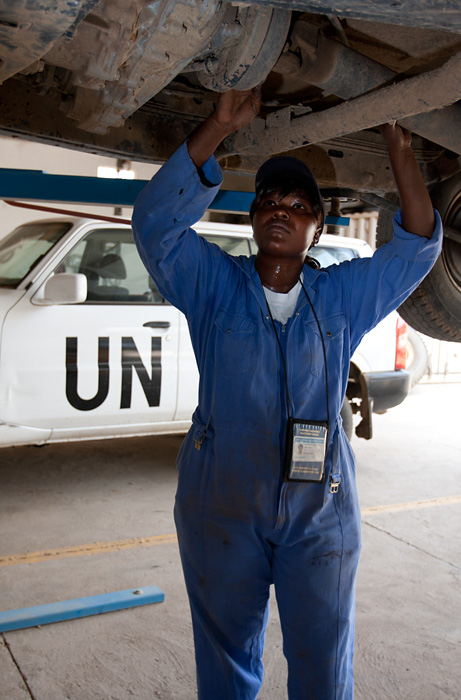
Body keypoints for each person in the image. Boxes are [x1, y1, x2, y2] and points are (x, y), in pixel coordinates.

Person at [132, 89, 442, 700]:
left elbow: (418, 247)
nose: (281, 209)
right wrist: (217, 127)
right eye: (270, 199)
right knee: (226, 665)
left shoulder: (341, 297)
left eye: (299, 205)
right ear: (252, 218)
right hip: (221, 501)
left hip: (319, 511)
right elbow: (155, 226)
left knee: (324, 666)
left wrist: (400, 150)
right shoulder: (213, 285)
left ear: (317, 227)